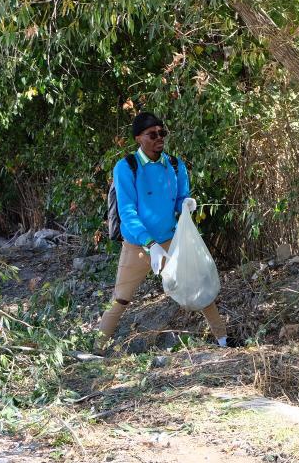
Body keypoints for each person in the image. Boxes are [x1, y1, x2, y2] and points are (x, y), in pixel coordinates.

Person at [98, 112, 231, 347]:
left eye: (162, 133)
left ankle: (224, 342)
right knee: (120, 299)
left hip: (171, 242)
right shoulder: (126, 168)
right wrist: (150, 244)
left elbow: (181, 197)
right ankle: (96, 347)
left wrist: (187, 204)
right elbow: (127, 213)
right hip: (138, 246)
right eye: (153, 134)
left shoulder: (174, 165)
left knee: (199, 288)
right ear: (139, 138)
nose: (160, 138)